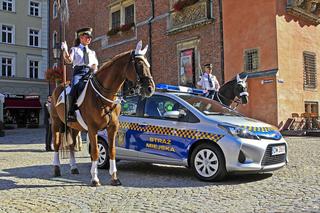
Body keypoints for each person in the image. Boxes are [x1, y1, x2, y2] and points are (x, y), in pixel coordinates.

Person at [61, 27, 99, 122]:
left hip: (89, 73)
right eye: (87, 37)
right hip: (78, 73)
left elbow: (95, 64)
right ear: (81, 38)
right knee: (74, 88)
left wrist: (93, 68)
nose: (89, 39)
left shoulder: (92, 52)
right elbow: (69, 60)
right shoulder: (75, 49)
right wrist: (65, 50)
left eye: (90, 37)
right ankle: (71, 112)